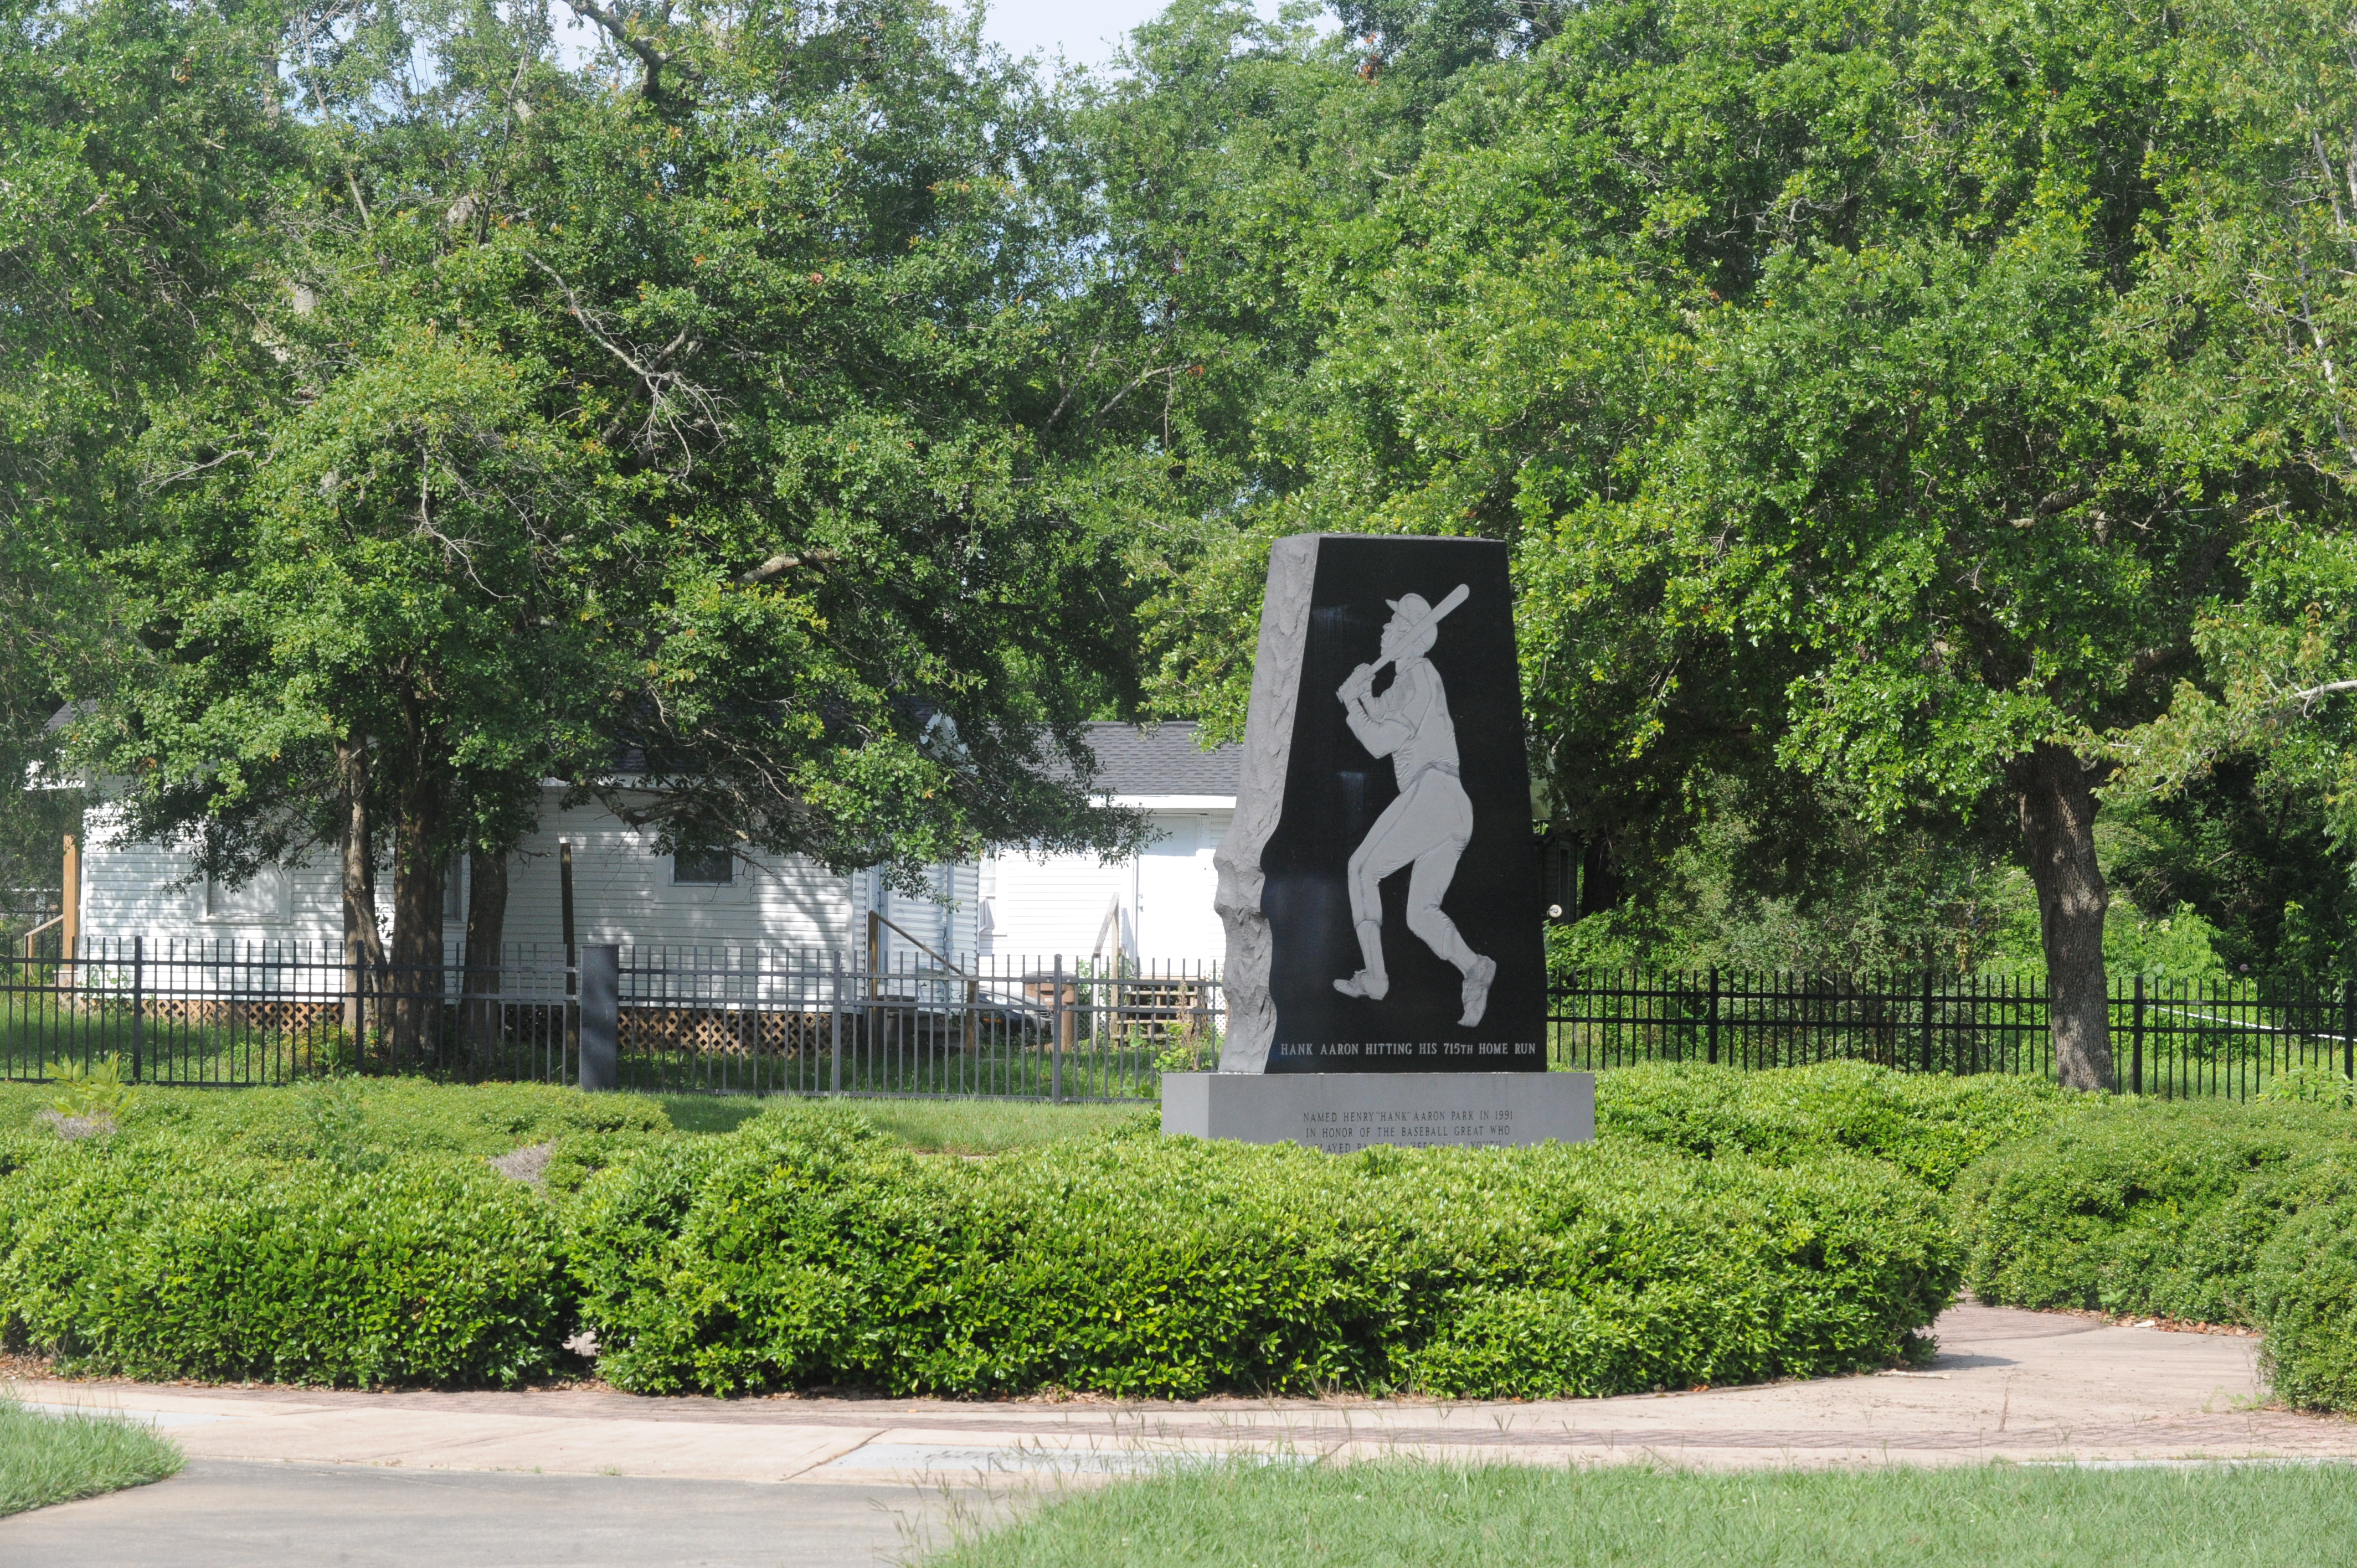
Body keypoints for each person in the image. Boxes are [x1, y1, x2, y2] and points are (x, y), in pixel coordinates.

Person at [1331, 589, 1496, 1027]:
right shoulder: (1409, 680)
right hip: (1452, 807)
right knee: (1421, 914)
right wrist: (1363, 693)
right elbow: (1383, 712)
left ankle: (1377, 979)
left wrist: (1352, 704)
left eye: (1393, 625)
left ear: (1409, 636)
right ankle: (1475, 967)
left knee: (1362, 869)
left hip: (1434, 793)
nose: (1384, 630)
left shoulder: (1420, 675)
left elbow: (1379, 742)